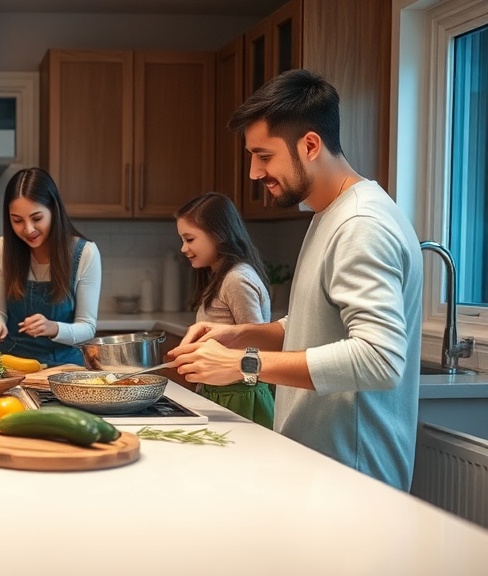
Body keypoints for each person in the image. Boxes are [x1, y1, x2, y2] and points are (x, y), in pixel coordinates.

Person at [168, 69, 423, 491]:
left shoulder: (362, 224)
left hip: (353, 478)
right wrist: (243, 334)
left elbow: (381, 359)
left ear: (309, 145)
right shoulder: (329, 214)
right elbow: (319, 323)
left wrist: (244, 365)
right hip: (320, 468)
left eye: (264, 156)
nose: (253, 172)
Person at [175, 192, 275, 428]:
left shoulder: (236, 279)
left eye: (189, 239)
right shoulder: (220, 276)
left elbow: (258, 345)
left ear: (217, 235)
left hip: (241, 397)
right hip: (224, 393)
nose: (183, 248)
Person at [0, 167, 102, 367]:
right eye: (17, 221)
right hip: (10, 364)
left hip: (63, 368)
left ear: (53, 210)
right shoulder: (1, 249)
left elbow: (87, 328)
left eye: (37, 218)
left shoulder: (85, 253)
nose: (28, 229)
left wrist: (52, 327)